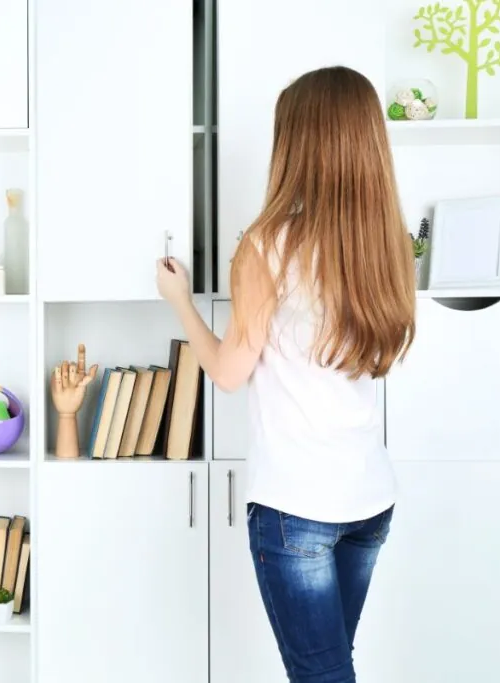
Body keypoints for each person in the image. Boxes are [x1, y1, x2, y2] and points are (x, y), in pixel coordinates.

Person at [156, 66, 416, 683]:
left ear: (297, 143)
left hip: (296, 505)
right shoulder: (386, 245)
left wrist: (181, 303)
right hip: (369, 501)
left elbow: (226, 372)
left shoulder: (267, 245)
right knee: (329, 667)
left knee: (321, 674)